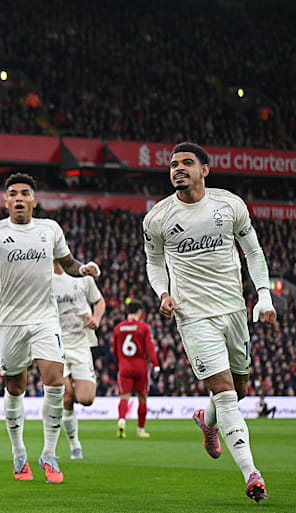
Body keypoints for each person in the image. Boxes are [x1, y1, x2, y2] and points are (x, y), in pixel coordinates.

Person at [0, 173, 100, 485]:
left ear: (34, 200)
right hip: (11, 323)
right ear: (5, 201)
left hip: (45, 319)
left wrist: (82, 270)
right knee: (16, 388)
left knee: (55, 381)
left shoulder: (49, 229)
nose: (18, 198)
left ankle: (49, 453)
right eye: (13, 193)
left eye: (24, 193)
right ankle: (18, 453)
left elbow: (67, 262)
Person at [143, 141, 276, 503]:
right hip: (193, 315)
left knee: (241, 389)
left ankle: (207, 420)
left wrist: (263, 295)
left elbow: (253, 251)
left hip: (233, 310)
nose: (178, 168)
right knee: (227, 394)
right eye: (173, 164)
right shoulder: (157, 217)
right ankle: (252, 474)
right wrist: (163, 294)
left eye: (187, 162)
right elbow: (154, 263)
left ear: (205, 170)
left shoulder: (229, 204)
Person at [52, 258, 105, 459]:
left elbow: (99, 301)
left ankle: (65, 403)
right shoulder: (43, 278)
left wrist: (97, 319)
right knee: (65, 395)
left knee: (86, 398)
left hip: (82, 343)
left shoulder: (81, 275)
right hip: (57, 344)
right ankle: (74, 445)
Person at [112, 301, 159, 438]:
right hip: (140, 367)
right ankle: (140, 430)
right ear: (139, 312)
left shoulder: (118, 328)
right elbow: (150, 348)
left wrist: (121, 361)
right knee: (142, 398)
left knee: (124, 397)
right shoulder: (143, 327)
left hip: (125, 366)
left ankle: (121, 421)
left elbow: (115, 350)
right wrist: (156, 365)